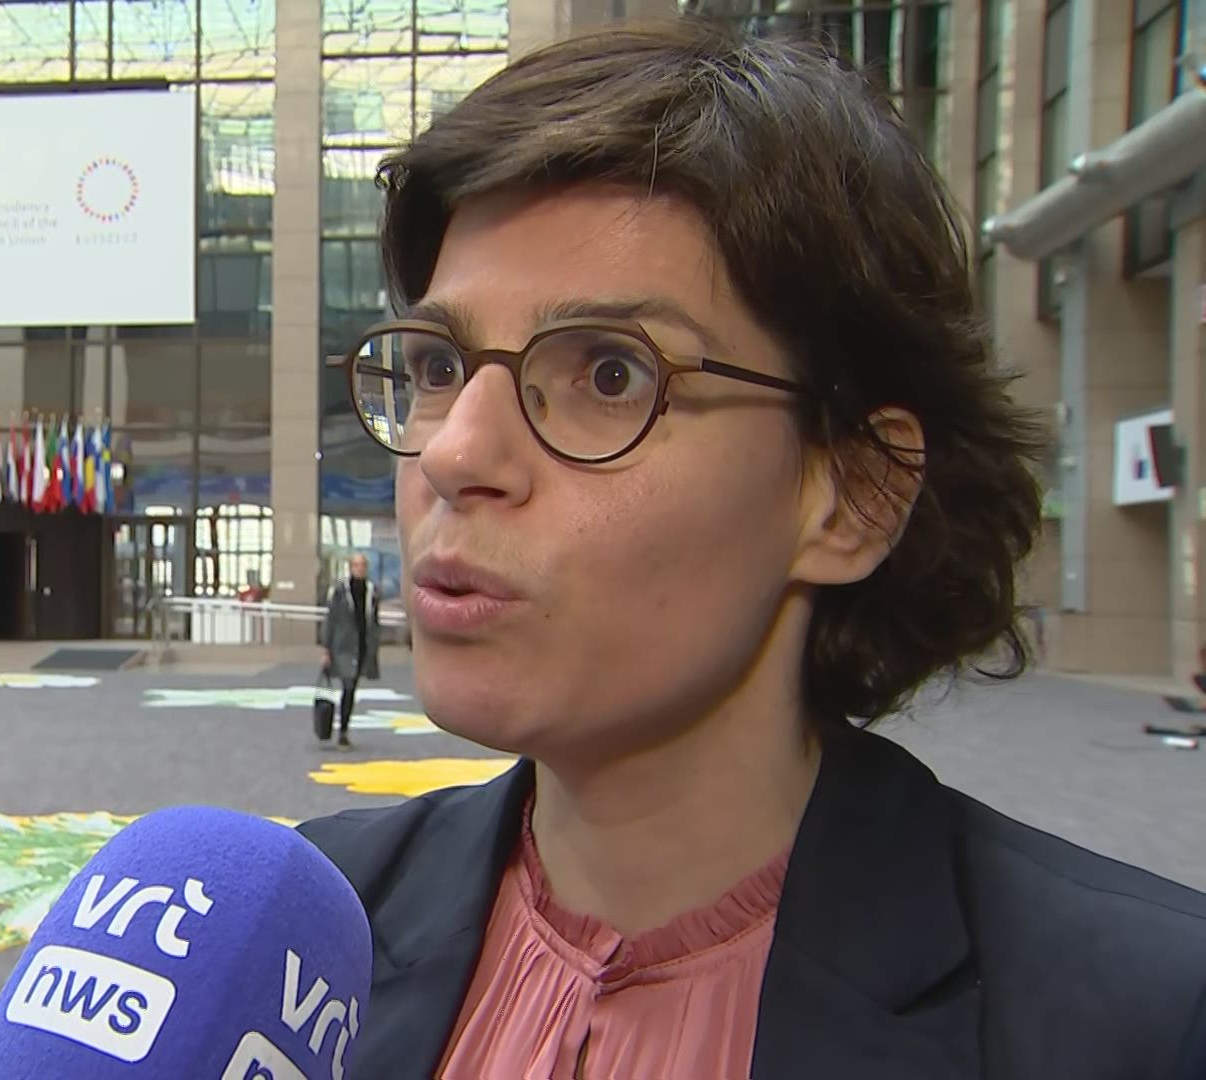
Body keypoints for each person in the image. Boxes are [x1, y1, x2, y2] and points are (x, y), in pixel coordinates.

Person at [298, 20, 1206, 1079]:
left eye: (609, 375)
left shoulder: (1147, 1023)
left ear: (853, 494)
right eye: (440, 367)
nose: (456, 453)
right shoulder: (306, 936)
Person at [319, 554, 381, 749]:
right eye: (356, 565)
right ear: (350, 567)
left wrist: (374, 644)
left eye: (362, 565)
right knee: (347, 684)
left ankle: (344, 728)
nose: (359, 569)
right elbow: (331, 619)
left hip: (362, 646)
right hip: (343, 646)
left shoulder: (371, 591)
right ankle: (342, 730)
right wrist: (326, 648)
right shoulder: (340, 590)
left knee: (351, 687)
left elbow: (374, 620)